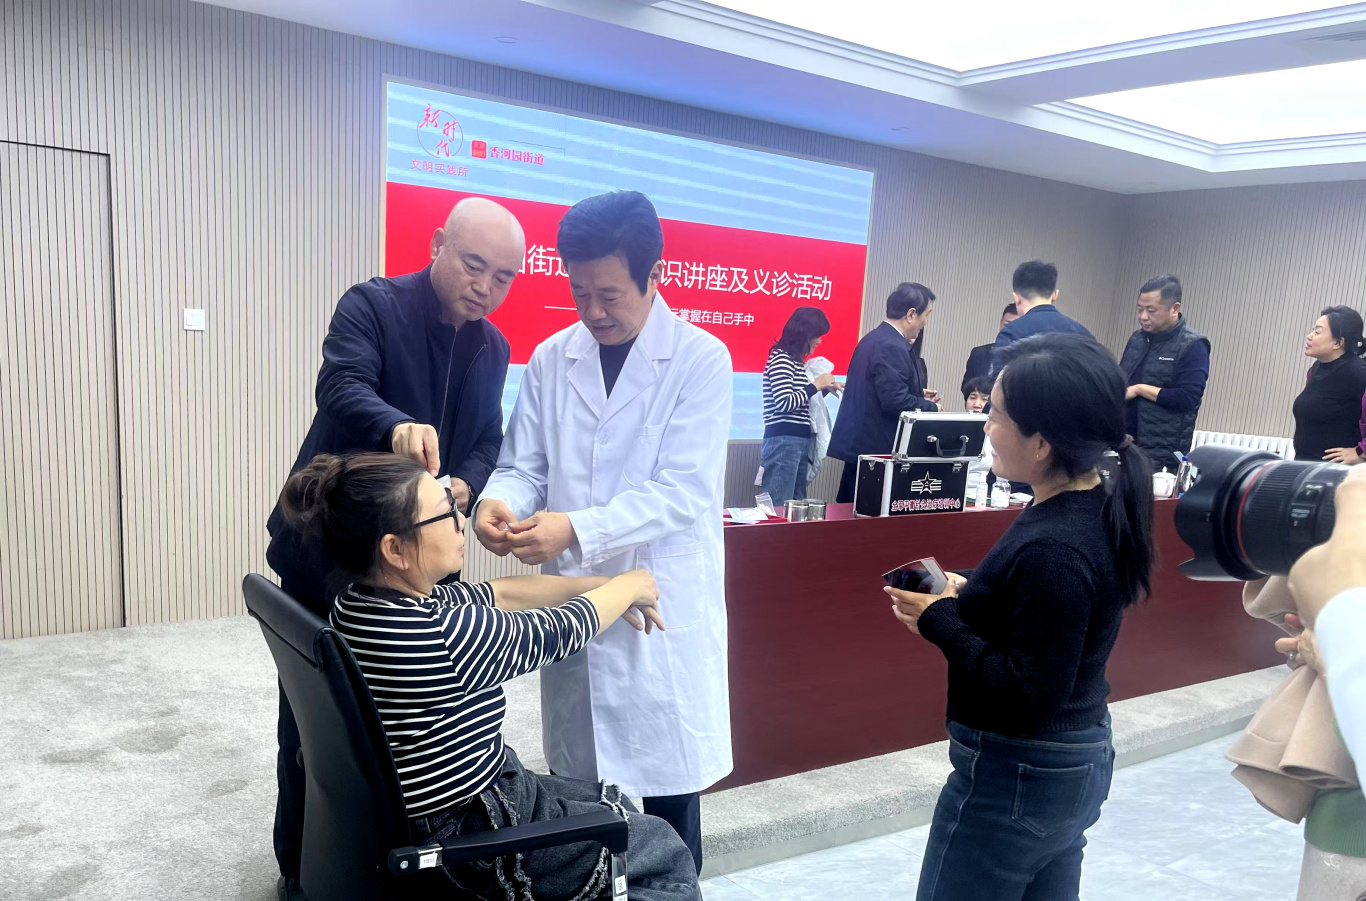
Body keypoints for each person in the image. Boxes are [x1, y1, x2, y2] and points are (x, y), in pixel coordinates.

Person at [277, 453, 701, 901]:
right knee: (663, 852)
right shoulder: (440, 637)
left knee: (613, 802)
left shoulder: (361, 604)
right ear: (394, 549)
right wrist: (630, 584)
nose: (460, 520)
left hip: (450, 804)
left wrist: (597, 585)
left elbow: (502, 593)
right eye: (444, 513)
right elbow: (559, 630)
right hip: (471, 827)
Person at [264, 197, 526, 899]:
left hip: (413, 568)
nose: (485, 286)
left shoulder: (494, 347)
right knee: (314, 722)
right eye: (473, 264)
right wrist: (395, 427)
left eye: (503, 276)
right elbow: (340, 385)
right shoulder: (373, 306)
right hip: (332, 553)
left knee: (405, 728)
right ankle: (298, 867)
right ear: (438, 244)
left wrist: (464, 483)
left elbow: (487, 437)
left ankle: (393, 863)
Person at [473, 190, 732, 873]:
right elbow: (523, 466)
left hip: (659, 611)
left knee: (668, 813)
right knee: (583, 808)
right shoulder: (552, 357)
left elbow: (683, 490)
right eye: (579, 292)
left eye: (610, 294)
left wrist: (574, 528)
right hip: (577, 608)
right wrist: (498, 502)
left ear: (654, 274)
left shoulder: (701, 360)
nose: (592, 312)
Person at [886, 333, 1154, 901]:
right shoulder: (1089, 505)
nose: (985, 425)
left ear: (1041, 442)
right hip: (1070, 761)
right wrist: (973, 590)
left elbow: (1029, 693)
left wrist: (941, 619)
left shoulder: (1055, 546)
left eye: (997, 414)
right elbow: (1046, 615)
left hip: (1020, 772)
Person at [828, 282, 942, 504]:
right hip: (876, 453)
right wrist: (932, 407)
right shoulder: (892, 345)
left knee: (851, 510)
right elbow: (894, 400)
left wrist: (917, 393)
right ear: (911, 315)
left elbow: (877, 389)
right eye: (927, 315)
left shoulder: (874, 338)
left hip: (863, 449)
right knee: (868, 517)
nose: (926, 322)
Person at [1119, 275, 1211, 471]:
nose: (1143, 316)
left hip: (1161, 455)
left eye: (1151, 310)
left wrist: (1139, 389)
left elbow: (1187, 398)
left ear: (1174, 309)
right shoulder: (1137, 339)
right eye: (1140, 309)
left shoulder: (1193, 345)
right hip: (1124, 446)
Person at [760, 306, 842, 506]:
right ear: (805, 334)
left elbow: (800, 402)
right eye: (817, 335)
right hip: (784, 440)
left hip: (797, 440)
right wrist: (816, 385)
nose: (819, 341)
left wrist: (823, 389)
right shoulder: (781, 358)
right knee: (778, 505)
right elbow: (784, 402)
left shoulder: (795, 362)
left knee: (795, 505)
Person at [1292, 306, 1366, 463]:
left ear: (1338, 343)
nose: (1309, 336)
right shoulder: (1316, 369)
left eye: (1317, 332)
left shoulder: (1359, 374)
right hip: (1306, 465)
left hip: (1337, 472)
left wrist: (1361, 452)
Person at [991, 261, 1093, 373]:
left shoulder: (1011, 333)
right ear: (1055, 295)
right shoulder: (1084, 334)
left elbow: (1000, 380)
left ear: (1017, 298)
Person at [961, 303, 1018, 397]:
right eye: (1006, 325)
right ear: (1000, 323)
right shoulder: (978, 353)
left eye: (1016, 326)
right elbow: (966, 387)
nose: (1010, 330)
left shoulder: (1027, 358)